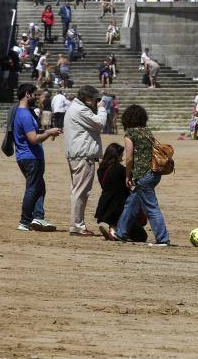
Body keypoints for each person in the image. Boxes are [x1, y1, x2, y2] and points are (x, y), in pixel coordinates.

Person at [112, 104, 170, 246]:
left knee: (151, 207)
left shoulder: (130, 134)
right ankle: (121, 233)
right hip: (155, 173)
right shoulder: (147, 132)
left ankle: (162, 239)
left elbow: (129, 157)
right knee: (131, 203)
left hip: (143, 175)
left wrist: (128, 176)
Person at [12, 83, 62, 232]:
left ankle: (38, 217)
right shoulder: (25, 115)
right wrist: (48, 133)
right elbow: (33, 139)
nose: (36, 97)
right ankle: (25, 221)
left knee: (39, 187)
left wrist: (47, 132)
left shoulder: (23, 113)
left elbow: (33, 133)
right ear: (27, 94)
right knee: (33, 188)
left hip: (29, 156)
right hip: (30, 157)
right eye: (34, 94)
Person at [64, 85, 108, 236]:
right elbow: (100, 123)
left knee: (78, 190)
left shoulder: (77, 107)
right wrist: (102, 108)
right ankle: (77, 226)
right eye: (95, 99)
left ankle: (77, 224)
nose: (97, 101)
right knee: (81, 191)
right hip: (83, 156)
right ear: (88, 99)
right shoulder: (80, 110)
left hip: (78, 154)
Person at [95, 143, 148, 242]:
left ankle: (113, 228)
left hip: (106, 207)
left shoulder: (101, 169)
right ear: (117, 155)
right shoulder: (119, 169)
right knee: (142, 236)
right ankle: (115, 232)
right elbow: (134, 176)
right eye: (121, 154)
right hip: (119, 208)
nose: (123, 156)